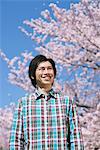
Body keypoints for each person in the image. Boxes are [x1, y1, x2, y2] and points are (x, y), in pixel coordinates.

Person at [9, 55, 84, 150]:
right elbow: (16, 140)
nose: (46, 72)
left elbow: (75, 137)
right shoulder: (23, 104)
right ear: (33, 75)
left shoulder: (67, 102)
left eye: (49, 69)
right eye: (42, 69)